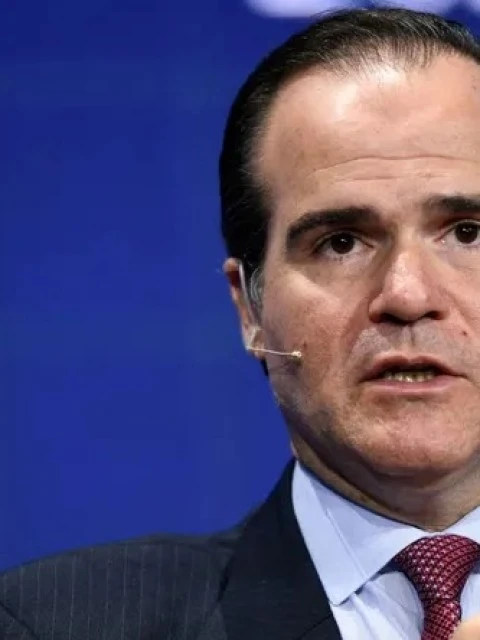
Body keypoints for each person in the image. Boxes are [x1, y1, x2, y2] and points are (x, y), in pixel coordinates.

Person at [4, 7, 480, 639]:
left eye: (467, 233)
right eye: (340, 243)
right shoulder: (58, 624)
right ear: (249, 308)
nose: (408, 295)